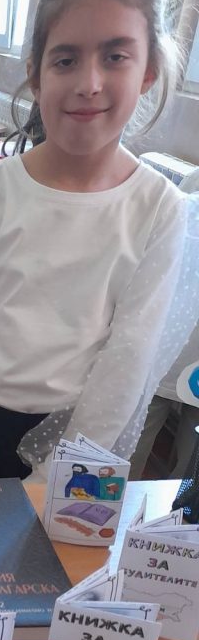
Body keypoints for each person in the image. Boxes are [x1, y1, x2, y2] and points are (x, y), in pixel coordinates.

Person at [0, 0, 199, 484]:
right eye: (66, 60)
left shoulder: (161, 211)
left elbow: (128, 362)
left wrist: (54, 480)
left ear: (148, 71)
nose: (89, 82)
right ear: (36, 75)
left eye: (115, 57)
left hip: (79, 444)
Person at [129, 166, 199, 479]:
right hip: (169, 341)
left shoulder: (191, 185)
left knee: (136, 437)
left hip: (166, 339)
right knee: (187, 455)